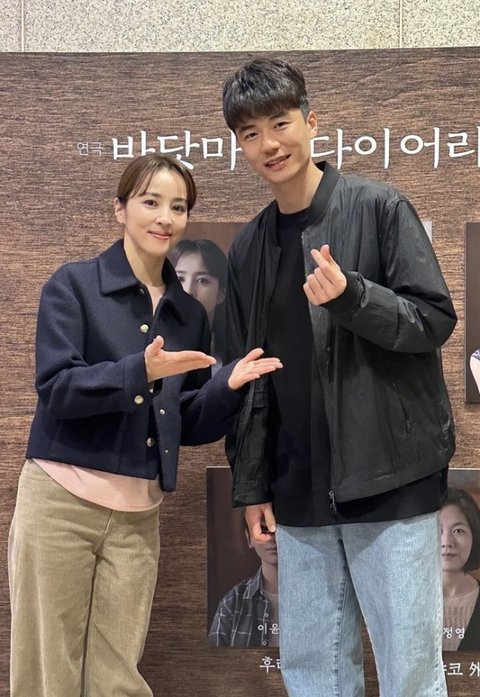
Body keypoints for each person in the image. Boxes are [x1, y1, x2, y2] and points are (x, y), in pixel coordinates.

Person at [221, 57, 457, 697]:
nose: (269, 144)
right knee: (314, 676)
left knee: (410, 674)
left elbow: (434, 320)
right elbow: (246, 378)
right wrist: (252, 485)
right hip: (297, 492)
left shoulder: (379, 207)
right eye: (250, 133)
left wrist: (354, 297)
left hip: (390, 482)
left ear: (312, 122)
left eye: (280, 123)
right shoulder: (249, 248)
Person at [8, 153, 282, 697]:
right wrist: (141, 370)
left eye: (178, 207)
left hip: (139, 515)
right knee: (47, 670)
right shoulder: (73, 285)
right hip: (61, 504)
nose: (165, 218)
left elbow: (185, 422)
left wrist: (226, 386)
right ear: (121, 209)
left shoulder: (189, 314)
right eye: (151, 202)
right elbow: (57, 389)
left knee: (117, 676)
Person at [208, 525, 279, 648]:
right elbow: (214, 658)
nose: (272, 538)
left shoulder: (313, 597)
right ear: (249, 538)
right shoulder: (232, 602)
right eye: (263, 530)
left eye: (279, 530)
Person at [170, 238, 228, 369]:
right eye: (180, 279)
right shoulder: (154, 349)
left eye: (202, 280)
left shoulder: (231, 361)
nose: (188, 291)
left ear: (221, 293)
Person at [441, 487, 480, 651]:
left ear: (474, 535)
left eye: (458, 531)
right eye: (437, 530)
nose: (447, 542)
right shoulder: (405, 602)